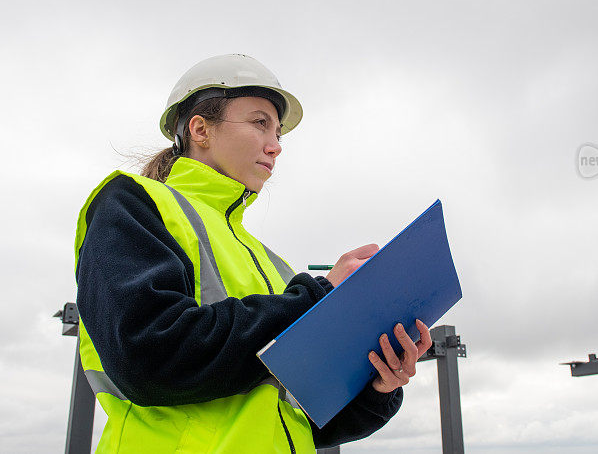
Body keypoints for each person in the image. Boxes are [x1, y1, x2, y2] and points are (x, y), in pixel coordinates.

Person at [74, 54, 433, 453]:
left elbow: (302, 419)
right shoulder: (135, 203)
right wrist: (316, 299)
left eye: (279, 133)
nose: (275, 146)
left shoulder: (276, 267)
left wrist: (378, 385)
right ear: (199, 129)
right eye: (260, 123)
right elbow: (148, 356)